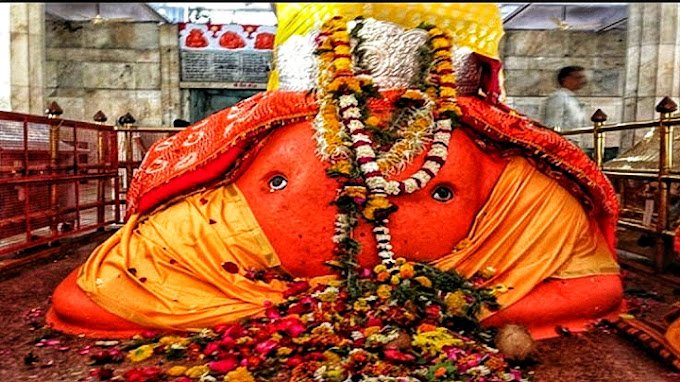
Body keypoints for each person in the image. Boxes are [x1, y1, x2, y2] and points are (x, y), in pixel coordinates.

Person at [47, 3, 623, 340]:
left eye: (400, 103)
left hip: (456, 245)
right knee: (90, 299)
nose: (380, 110)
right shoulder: (239, 173)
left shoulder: (516, 180)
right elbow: (85, 298)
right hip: (251, 265)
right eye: (359, 97)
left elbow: (597, 287)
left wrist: (432, 305)